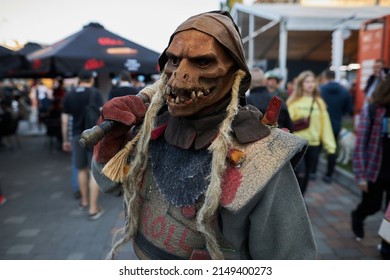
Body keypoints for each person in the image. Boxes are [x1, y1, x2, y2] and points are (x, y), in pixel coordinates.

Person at [91, 10, 316, 260]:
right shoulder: (152, 132)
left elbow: (291, 258)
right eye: (174, 60)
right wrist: (112, 140)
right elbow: (110, 185)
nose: (180, 73)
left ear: (235, 75)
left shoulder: (263, 155)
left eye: (203, 62)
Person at [351, 67, 390, 259]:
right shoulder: (374, 110)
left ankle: (386, 246)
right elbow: (359, 145)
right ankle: (357, 217)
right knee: (372, 205)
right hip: (375, 170)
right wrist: (361, 176)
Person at [61, 70, 104, 220]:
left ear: (79, 80)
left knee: (80, 169)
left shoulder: (69, 95)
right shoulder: (95, 93)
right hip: (93, 136)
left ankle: (84, 201)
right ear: (91, 79)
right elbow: (102, 115)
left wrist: (65, 139)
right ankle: (93, 209)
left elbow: (65, 120)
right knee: (94, 171)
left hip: (76, 136)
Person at [286, 70, 336, 196]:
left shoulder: (319, 102)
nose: (310, 84)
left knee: (307, 175)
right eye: (307, 81)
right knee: (300, 175)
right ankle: (293, 200)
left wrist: (330, 146)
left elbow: (326, 125)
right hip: (297, 144)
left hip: (313, 145)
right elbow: (287, 122)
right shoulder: (293, 101)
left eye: (313, 81)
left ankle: (300, 201)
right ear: (301, 84)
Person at [319, 69, 353, 183]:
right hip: (335, 124)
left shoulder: (320, 90)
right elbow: (349, 110)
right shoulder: (344, 91)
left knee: (316, 147)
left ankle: (312, 172)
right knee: (332, 148)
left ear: (325, 77)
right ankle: (329, 175)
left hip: (320, 123)